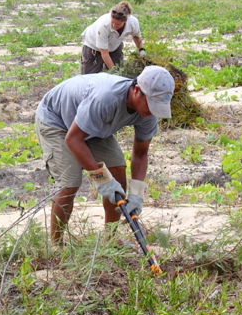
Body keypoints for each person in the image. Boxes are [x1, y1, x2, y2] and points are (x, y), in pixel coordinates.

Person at [34, 66, 174, 245]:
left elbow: (140, 152)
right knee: (70, 183)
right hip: (57, 120)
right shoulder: (106, 99)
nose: (153, 111)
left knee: (117, 174)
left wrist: (137, 193)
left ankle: (111, 239)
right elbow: (74, 139)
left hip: (93, 126)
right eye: (151, 104)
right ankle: (55, 245)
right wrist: (101, 179)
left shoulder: (149, 114)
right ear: (137, 90)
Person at [80, 1, 145, 75]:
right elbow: (104, 52)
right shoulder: (103, 25)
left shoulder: (133, 22)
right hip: (93, 45)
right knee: (91, 76)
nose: (114, 26)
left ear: (125, 21)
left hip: (115, 45)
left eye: (117, 24)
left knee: (118, 75)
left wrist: (141, 50)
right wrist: (114, 71)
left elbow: (136, 36)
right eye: (112, 23)